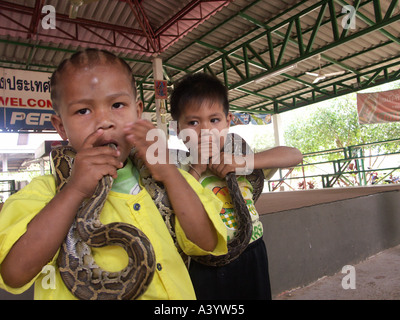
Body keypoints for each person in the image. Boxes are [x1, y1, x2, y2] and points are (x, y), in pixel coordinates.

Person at [0, 49, 227, 300]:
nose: (104, 121)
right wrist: (74, 190)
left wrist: (169, 173)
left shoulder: (170, 177)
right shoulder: (46, 191)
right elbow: (14, 273)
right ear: (61, 127)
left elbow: (206, 243)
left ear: (138, 111)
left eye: (117, 105)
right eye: (83, 111)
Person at [170, 72, 303, 300]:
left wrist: (242, 162)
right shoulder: (177, 168)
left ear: (228, 121)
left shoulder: (239, 154)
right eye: (193, 122)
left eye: (214, 120)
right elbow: (179, 210)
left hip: (253, 250)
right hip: (207, 262)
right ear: (177, 129)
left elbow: (294, 155)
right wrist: (197, 169)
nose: (206, 130)